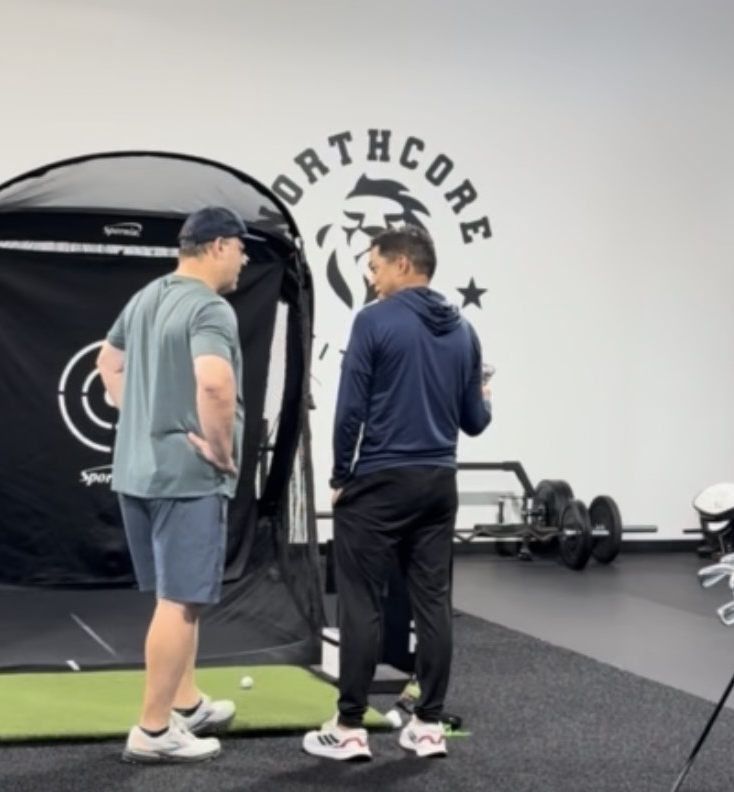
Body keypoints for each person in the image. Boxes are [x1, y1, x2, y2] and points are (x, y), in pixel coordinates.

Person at [302, 224, 492, 762]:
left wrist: (341, 477)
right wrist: (487, 395)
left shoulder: (373, 321)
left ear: (404, 264)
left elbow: (350, 411)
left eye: (376, 265)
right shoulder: (464, 331)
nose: (371, 275)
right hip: (438, 484)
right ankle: (428, 727)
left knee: (361, 603)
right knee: (433, 603)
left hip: (381, 482)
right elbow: (475, 421)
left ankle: (348, 729)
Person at [95, 206, 256, 764]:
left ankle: (185, 703)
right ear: (216, 246)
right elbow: (214, 382)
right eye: (240, 246)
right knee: (180, 601)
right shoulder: (210, 307)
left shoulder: (146, 296)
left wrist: (135, 412)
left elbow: (106, 361)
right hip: (185, 477)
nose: (245, 257)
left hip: (138, 471)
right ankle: (154, 730)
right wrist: (220, 449)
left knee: (179, 597)